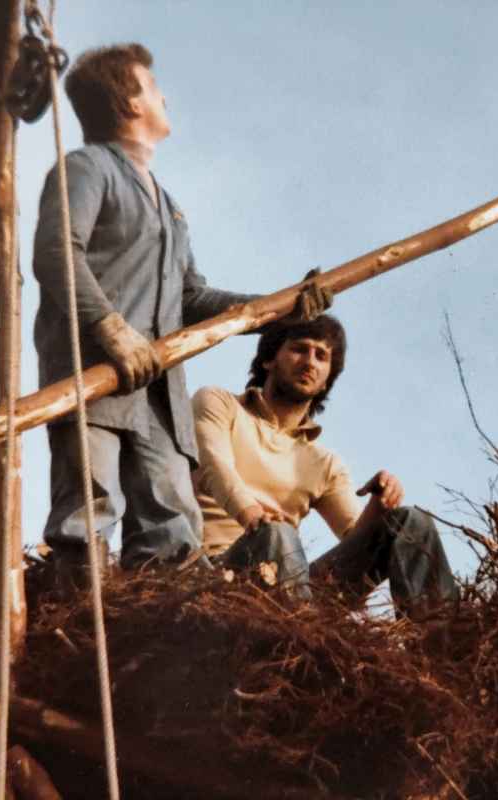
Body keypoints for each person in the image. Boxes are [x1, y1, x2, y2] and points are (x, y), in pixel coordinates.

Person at [32, 43, 326, 577]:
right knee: (89, 511)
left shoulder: (169, 208)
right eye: (152, 86)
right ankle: (73, 604)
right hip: (94, 374)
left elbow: (191, 299)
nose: (163, 96)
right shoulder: (86, 168)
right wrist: (110, 329)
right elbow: (55, 251)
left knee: (173, 533)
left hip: (159, 395)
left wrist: (281, 311)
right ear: (130, 103)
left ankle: (159, 626)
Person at [191, 315, 458, 616]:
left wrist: (379, 505)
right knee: (277, 533)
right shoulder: (220, 404)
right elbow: (215, 465)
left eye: (321, 356)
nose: (310, 362)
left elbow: (354, 540)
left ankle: (441, 634)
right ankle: (299, 633)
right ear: (268, 359)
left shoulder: (325, 463)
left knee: (412, 522)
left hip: (294, 587)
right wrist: (253, 515)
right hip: (221, 571)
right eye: (299, 349)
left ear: (327, 379)